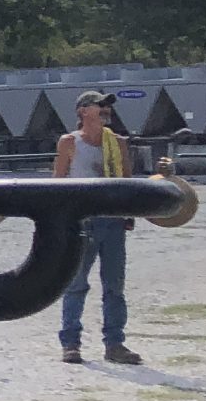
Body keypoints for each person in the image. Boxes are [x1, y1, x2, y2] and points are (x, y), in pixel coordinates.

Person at [52, 90, 141, 366]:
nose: (105, 110)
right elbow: (57, 184)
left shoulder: (118, 143)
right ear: (82, 112)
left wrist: (128, 214)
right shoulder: (69, 143)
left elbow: (126, 181)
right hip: (82, 221)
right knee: (76, 284)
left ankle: (115, 344)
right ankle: (71, 344)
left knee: (114, 286)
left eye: (107, 107)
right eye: (99, 105)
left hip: (112, 221)